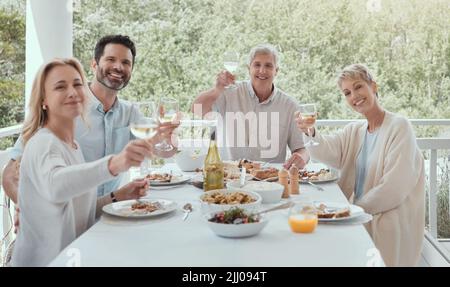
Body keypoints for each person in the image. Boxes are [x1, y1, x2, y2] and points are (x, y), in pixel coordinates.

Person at [10, 58, 167, 266]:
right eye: (60, 87)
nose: (73, 92)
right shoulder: (43, 143)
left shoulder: (72, 145)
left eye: (77, 84)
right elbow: (56, 186)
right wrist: (114, 164)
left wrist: (118, 196)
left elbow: (79, 213)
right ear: (43, 101)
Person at [2, 34, 176, 205]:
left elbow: (164, 152)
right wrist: (30, 212)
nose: (118, 67)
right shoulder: (65, 109)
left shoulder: (130, 112)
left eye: (126, 63)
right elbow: (10, 175)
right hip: (68, 223)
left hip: (108, 211)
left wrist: (167, 136)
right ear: (94, 64)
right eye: (111, 59)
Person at [295, 64, 425, 266]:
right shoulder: (355, 130)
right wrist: (310, 132)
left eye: (358, 87)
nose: (354, 96)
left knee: (324, 238)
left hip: (389, 219)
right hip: (361, 213)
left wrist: (351, 211)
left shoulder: (399, 126)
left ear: (373, 86)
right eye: (347, 93)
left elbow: (394, 188)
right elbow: (327, 150)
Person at [192, 44, 309, 169]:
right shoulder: (229, 93)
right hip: (230, 177)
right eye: (257, 65)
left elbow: (301, 149)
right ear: (249, 69)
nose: (262, 71)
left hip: (269, 180)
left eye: (268, 66)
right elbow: (197, 109)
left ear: (276, 71)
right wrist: (217, 90)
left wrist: (302, 157)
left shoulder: (290, 105)